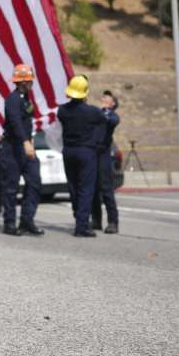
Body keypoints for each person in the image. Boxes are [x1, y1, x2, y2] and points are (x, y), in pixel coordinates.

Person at [57, 76, 112, 237]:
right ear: (85, 94)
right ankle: (81, 226)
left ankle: (78, 218)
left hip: (68, 152)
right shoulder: (92, 111)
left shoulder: (62, 110)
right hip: (86, 152)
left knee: (73, 188)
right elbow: (104, 119)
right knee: (86, 189)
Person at [0, 64, 44, 236]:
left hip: (27, 147)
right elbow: (15, 121)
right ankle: (9, 223)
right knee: (11, 187)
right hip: (13, 148)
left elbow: (27, 122)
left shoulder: (26, 99)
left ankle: (27, 220)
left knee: (34, 183)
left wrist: (29, 141)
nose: (31, 84)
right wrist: (26, 142)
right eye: (28, 81)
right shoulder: (12, 99)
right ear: (21, 82)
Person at [92, 90, 121, 234]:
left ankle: (113, 222)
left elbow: (113, 121)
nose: (103, 97)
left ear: (113, 103)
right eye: (103, 96)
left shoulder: (112, 115)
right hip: (92, 154)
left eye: (107, 97)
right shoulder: (96, 112)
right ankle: (96, 220)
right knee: (93, 189)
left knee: (106, 189)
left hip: (104, 154)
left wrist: (105, 112)